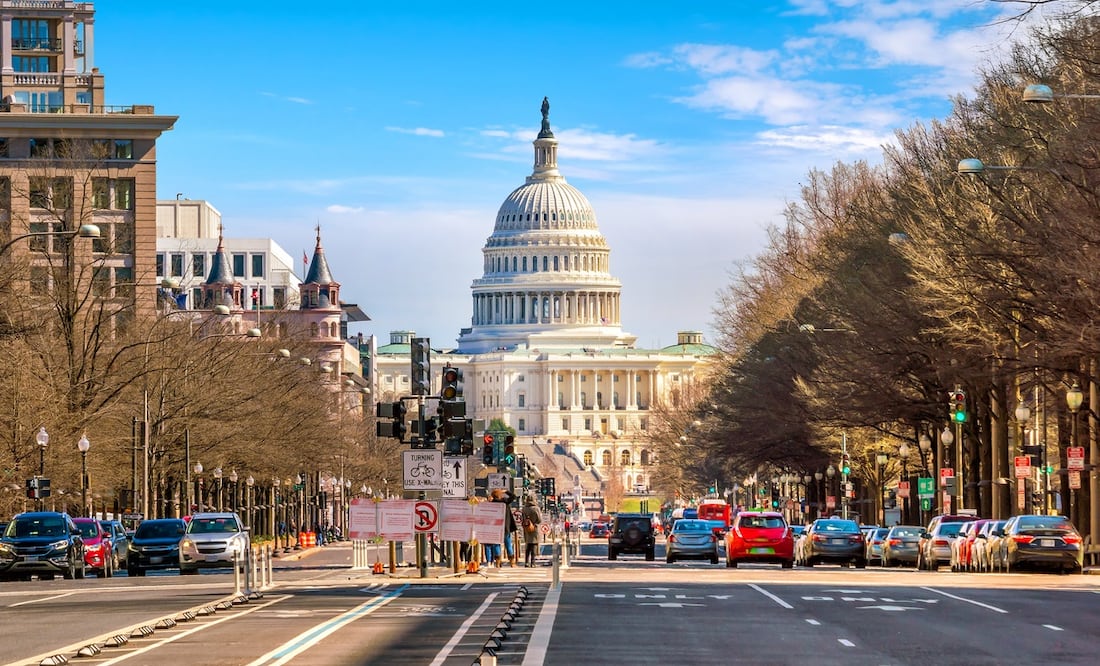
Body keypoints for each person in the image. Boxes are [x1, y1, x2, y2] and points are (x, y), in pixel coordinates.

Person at [489, 488, 518, 566]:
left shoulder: (491, 504)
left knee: (496, 544)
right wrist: (506, 491)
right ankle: (512, 562)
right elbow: (513, 496)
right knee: (508, 544)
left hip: (495, 527)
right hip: (505, 526)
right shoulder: (505, 502)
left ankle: (498, 562)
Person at [521, 496, 543, 567]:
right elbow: (539, 520)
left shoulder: (524, 508)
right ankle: (533, 562)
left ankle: (526, 562)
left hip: (526, 527)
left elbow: (522, 518)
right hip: (534, 528)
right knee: (534, 545)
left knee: (528, 545)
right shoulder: (536, 508)